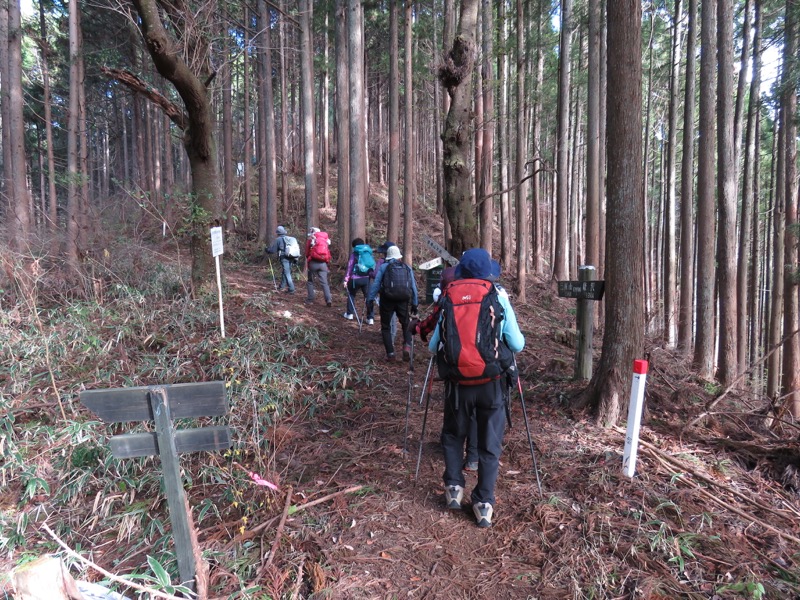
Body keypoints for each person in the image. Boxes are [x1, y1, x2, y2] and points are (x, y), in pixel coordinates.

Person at [427, 248, 525, 528]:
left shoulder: (449, 295)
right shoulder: (498, 297)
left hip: (458, 385)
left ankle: (454, 488)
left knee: (453, 435)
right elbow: (517, 344)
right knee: (489, 445)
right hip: (492, 384)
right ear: (487, 273)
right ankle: (483, 503)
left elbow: (435, 346)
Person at [367, 245, 418, 361]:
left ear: (387, 256)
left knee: (385, 327)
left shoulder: (384, 267)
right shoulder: (407, 267)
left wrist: (370, 299)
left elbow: (376, 284)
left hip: (387, 300)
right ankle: (407, 346)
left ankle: (390, 354)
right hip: (403, 300)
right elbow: (413, 287)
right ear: (399, 256)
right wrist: (415, 303)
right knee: (406, 324)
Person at [343, 238, 376, 325]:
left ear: (354, 246)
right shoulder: (368, 252)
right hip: (367, 279)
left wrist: (346, 279)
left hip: (355, 279)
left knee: (351, 295)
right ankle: (370, 318)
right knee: (368, 297)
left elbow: (350, 267)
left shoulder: (355, 254)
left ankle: (349, 314)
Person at [304, 227, 333, 307]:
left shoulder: (311, 240)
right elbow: (328, 254)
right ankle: (328, 299)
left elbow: (306, 253)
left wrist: (309, 258)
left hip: (313, 263)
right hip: (323, 264)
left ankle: (310, 299)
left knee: (310, 281)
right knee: (324, 283)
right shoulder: (325, 241)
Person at [265, 225, 298, 294]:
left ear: (278, 233)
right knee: (286, 271)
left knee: (287, 273)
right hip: (292, 257)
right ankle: (282, 286)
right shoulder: (290, 239)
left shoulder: (278, 239)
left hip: (284, 258)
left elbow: (273, 250)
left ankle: (291, 289)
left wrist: (267, 250)